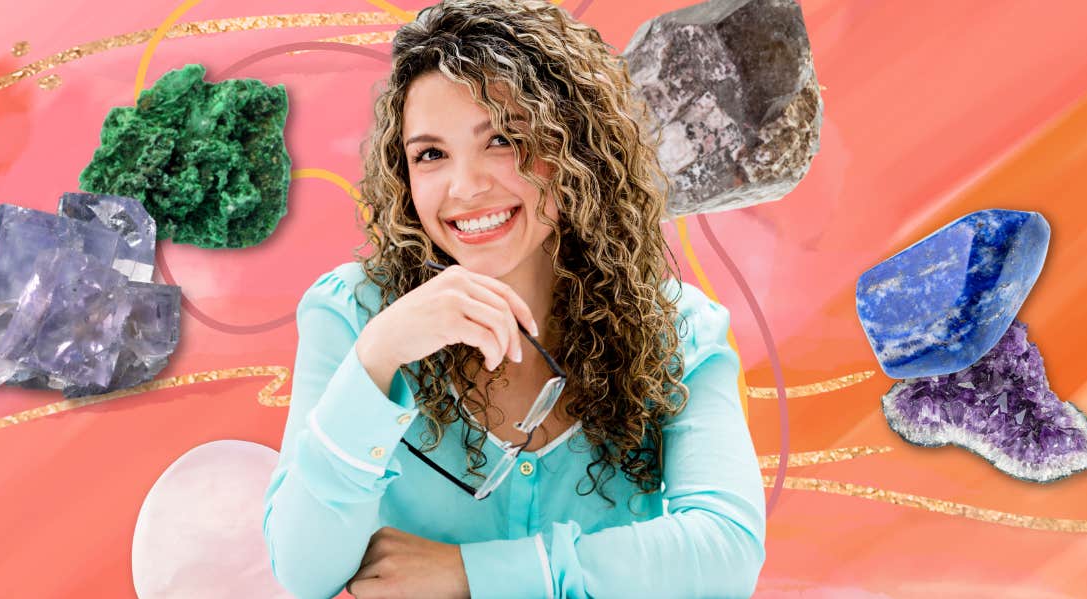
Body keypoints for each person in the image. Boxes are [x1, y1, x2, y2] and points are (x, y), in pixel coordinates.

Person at [262, 0, 766, 597]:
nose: (466, 187)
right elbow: (303, 572)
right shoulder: (353, 315)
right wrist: (378, 358)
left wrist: (472, 574)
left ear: (575, 151)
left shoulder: (679, 329)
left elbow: (725, 550)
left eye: (501, 139)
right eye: (430, 154)